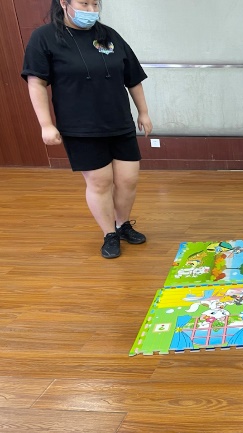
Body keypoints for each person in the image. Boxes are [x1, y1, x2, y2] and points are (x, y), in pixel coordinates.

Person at [22, 0, 152, 260]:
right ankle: (109, 234)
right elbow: (36, 82)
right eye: (84, 3)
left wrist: (144, 112)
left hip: (119, 122)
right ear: (64, 3)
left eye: (95, 4)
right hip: (81, 127)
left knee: (128, 180)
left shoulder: (108, 35)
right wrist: (46, 124)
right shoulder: (44, 37)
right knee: (100, 182)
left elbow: (133, 77)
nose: (91, 10)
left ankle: (123, 224)